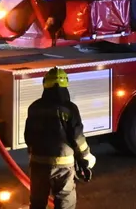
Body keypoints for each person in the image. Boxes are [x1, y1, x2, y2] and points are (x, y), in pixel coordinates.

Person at [24, 67, 96, 209]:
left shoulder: (34, 107)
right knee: (65, 201)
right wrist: (85, 157)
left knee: (37, 203)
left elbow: (28, 136)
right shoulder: (70, 109)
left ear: (45, 84)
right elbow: (77, 137)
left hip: (38, 163)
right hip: (63, 166)